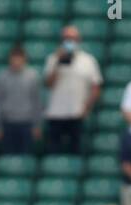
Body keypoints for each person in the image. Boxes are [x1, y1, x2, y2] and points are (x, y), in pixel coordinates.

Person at [43, 25, 103, 154]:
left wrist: (86, 108)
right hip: (56, 114)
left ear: (78, 40)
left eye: (72, 38)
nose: (69, 41)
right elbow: (48, 84)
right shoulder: (53, 59)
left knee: (76, 152)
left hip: (77, 114)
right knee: (54, 153)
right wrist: (58, 63)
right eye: (66, 38)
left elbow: (96, 86)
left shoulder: (88, 60)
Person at [0, 45, 43, 155]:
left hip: (27, 123)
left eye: (19, 58)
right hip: (8, 123)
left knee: (26, 155)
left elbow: (37, 102)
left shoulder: (32, 76)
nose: (16, 61)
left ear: (24, 59)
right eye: (14, 58)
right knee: (8, 156)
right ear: (10, 59)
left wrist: (37, 125)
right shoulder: (2, 77)